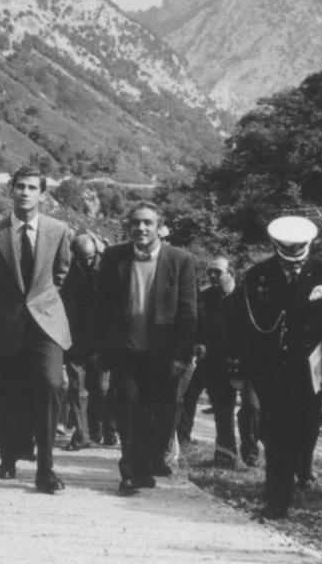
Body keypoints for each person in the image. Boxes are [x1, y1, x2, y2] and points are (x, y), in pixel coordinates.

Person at [232, 216, 322, 518]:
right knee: (276, 433)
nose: (293, 254)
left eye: (299, 248)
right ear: (275, 245)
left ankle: (300, 469)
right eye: (287, 248)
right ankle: (277, 500)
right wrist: (240, 368)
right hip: (272, 368)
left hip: (311, 370)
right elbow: (243, 325)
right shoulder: (258, 276)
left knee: (308, 428)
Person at [0, 165, 74, 493]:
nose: (25, 193)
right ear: (11, 190)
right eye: (20, 186)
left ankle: (46, 468)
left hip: (46, 323)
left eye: (32, 187)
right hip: (6, 324)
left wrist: (42, 302)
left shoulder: (59, 230)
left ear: (41, 194)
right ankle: (8, 456)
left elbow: (60, 275)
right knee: (9, 393)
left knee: (49, 384)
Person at [93, 201, 197, 494]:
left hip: (163, 355)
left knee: (158, 415)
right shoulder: (115, 257)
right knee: (126, 410)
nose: (141, 228)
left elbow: (189, 313)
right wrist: (102, 349)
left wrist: (182, 355)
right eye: (136, 222)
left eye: (148, 223)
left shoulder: (180, 260)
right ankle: (130, 471)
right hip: (126, 351)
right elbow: (102, 306)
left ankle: (147, 462)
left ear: (159, 227)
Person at [178, 257, 258, 468]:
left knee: (252, 407)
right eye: (210, 272)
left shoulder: (247, 298)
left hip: (246, 362)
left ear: (231, 272)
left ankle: (250, 450)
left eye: (217, 272)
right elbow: (198, 327)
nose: (212, 276)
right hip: (215, 362)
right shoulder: (205, 298)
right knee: (223, 410)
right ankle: (225, 454)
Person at [60, 233, 116, 451]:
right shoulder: (70, 273)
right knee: (77, 389)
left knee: (102, 388)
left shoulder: (107, 271)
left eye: (91, 257)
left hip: (102, 343)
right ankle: (81, 435)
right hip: (76, 342)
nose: (87, 261)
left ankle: (104, 429)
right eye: (82, 257)